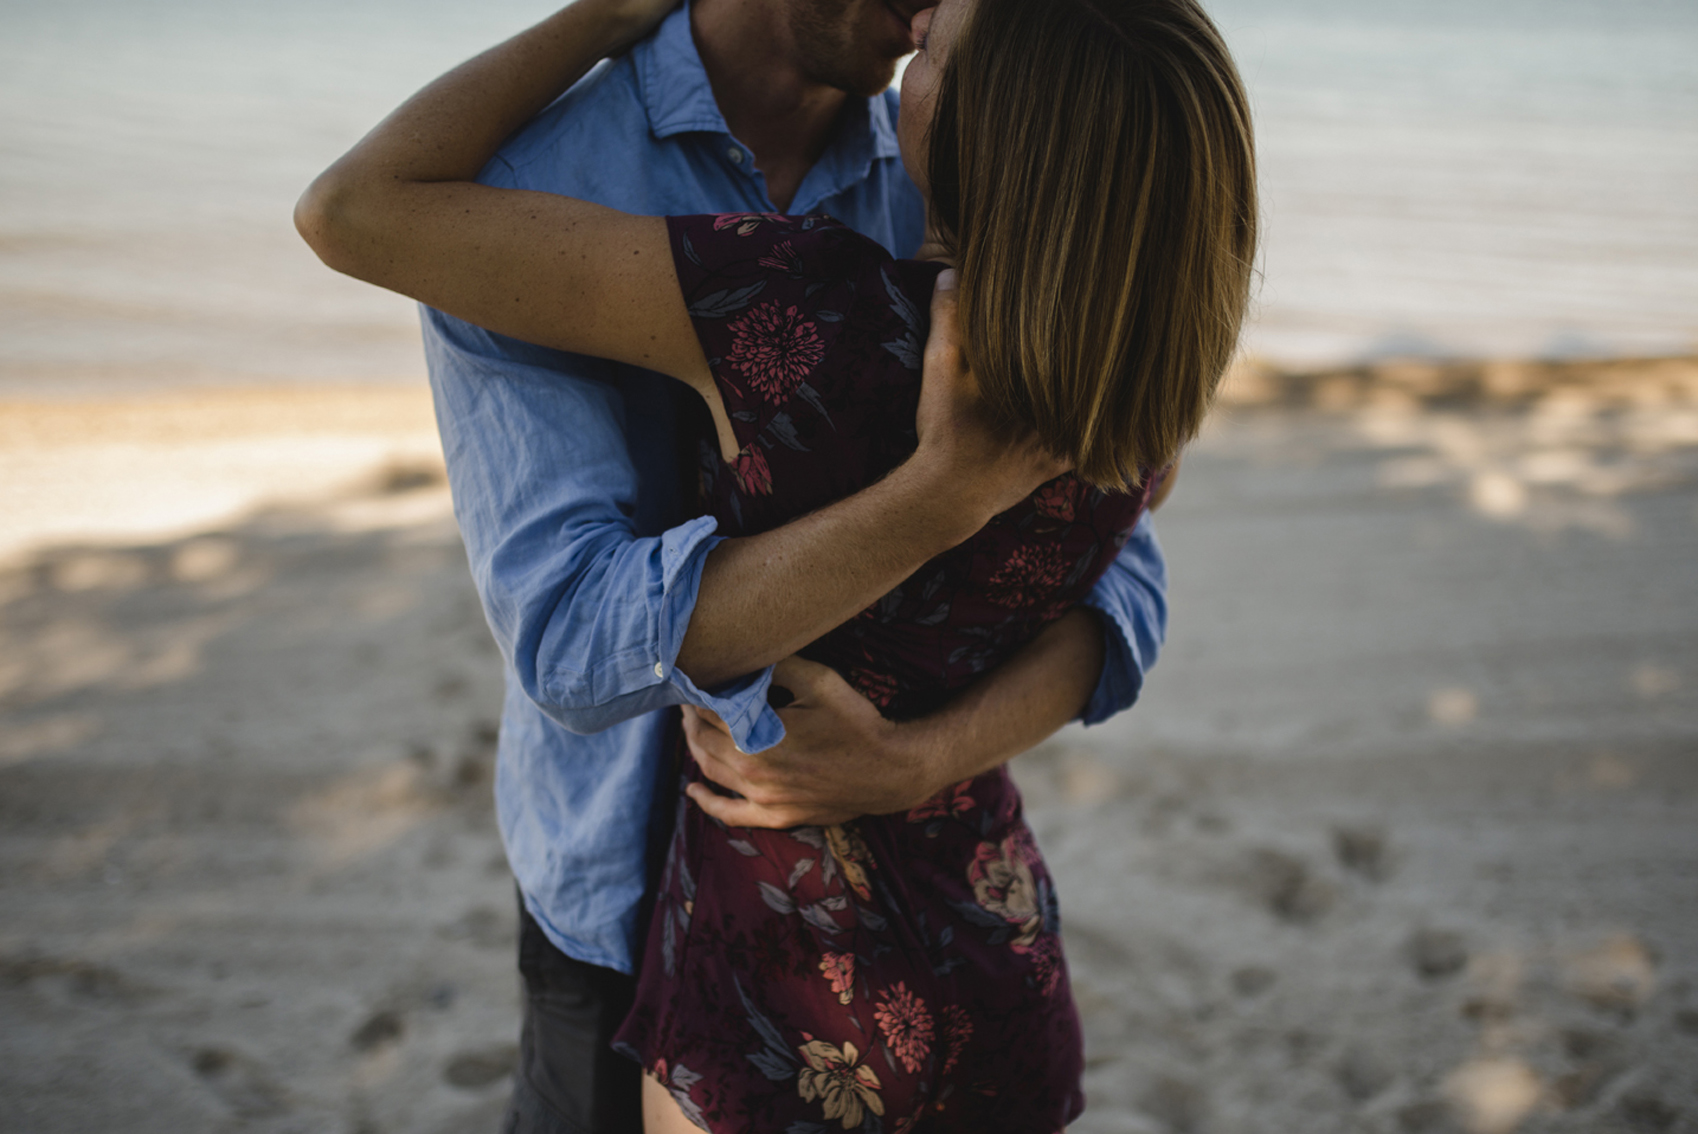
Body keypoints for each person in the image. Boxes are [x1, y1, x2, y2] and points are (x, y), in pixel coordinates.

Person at [296, 0, 1250, 1125]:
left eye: (949, 40)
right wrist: (941, 500)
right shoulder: (538, 178)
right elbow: (571, 646)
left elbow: (1122, 585)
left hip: (798, 962)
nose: (934, 10)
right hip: (688, 892)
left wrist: (912, 757)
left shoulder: (849, 247)